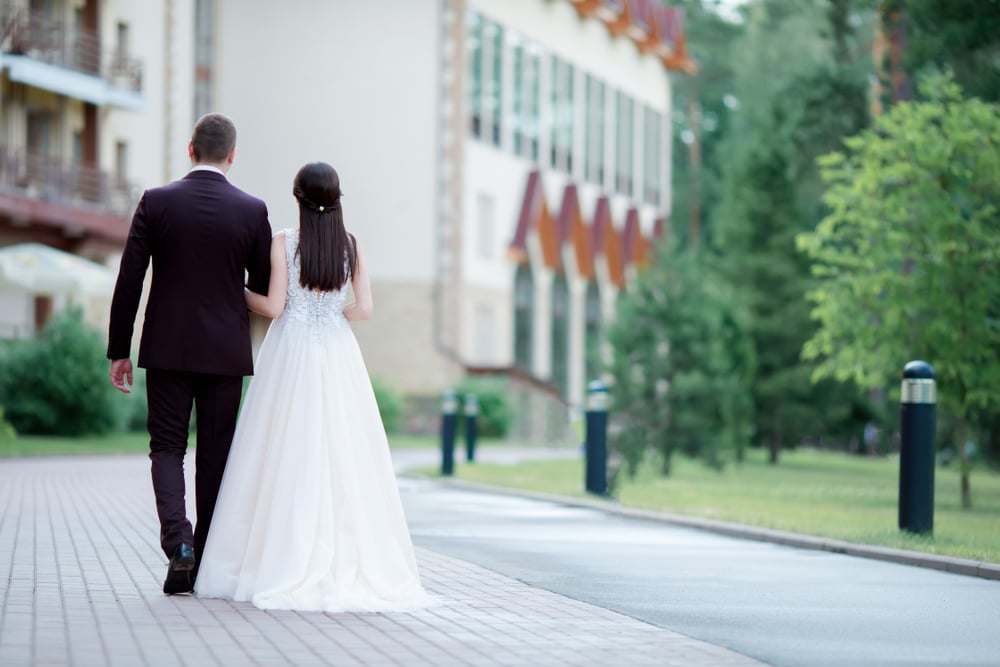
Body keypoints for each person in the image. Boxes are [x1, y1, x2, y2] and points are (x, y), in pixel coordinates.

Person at [194, 162, 430, 612]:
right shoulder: (352, 246)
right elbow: (365, 309)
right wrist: (332, 315)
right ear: (338, 198)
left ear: (297, 196)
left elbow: (275, 306)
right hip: (338, 354)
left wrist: (238, 290)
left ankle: (271, 555)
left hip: (291, 353)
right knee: (342, 449)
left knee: (282, 447)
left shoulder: (284, 242)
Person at [107, 113, 273, 595]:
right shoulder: (252, 209)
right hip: (225, 353)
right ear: (232, 155)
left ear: (190, 148)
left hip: (166, 348)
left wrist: (120, 349)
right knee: (216, 456)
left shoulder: (156, 202)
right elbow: (261, 286)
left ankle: (179, 544)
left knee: (166, 448)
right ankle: (203, 562)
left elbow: (130, 279)